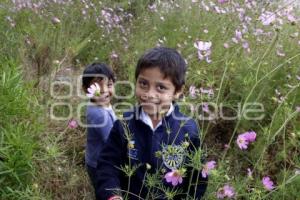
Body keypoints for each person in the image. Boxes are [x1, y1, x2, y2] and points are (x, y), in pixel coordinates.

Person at [96, 47, 207, 200]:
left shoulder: (188, 128)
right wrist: (112, 195)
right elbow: (107, 165)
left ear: (178, 91)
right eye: (143, 84)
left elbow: (197, 180)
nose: (149, 94)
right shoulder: (124, 123)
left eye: (161, 87)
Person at [82, 62, 117, 194]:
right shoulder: (98, 114)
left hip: (98, 160)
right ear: (86, 90)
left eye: (109, 85)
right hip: (100, 165)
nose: (103, 90)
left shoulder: (102, 105)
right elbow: (112, 141)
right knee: (107, 192)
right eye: (96, 87)